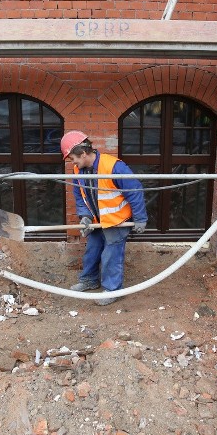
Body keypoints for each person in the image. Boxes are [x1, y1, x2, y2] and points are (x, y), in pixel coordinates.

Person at [60, 130, 147, 305]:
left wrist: (140, 218)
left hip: (117, 220)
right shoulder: (79, 170)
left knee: (111, 255)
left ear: (83, 154)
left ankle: (113, 289)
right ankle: (89, 280)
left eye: (73, 158)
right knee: (92, 249)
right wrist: (84, 216)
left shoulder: (114, 166)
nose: (73, 162)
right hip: (97, 220)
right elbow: (80, 195)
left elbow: (135, 191)